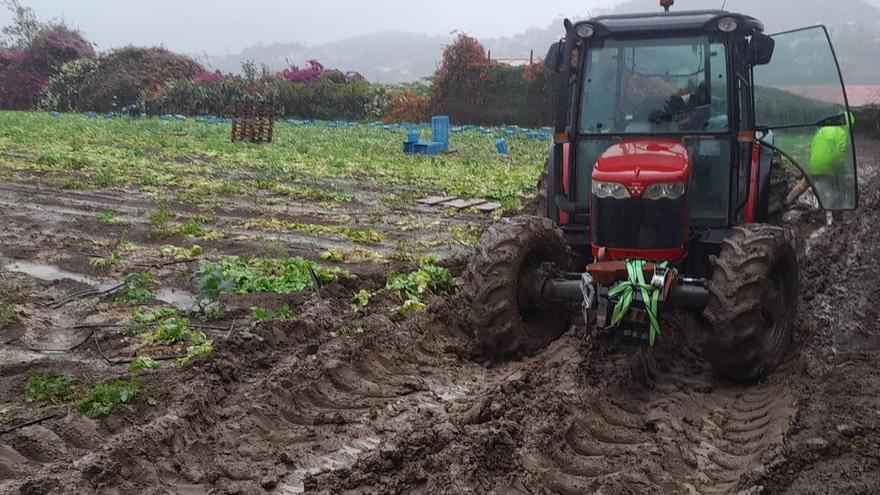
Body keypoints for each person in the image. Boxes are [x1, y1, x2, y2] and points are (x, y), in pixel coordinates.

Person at [785, 112, 854, 208]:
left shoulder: (822, 130)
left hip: (813, 165)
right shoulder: (842, 133)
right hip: (827, 168)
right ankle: (834, 211)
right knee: (840, 187)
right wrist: (843, 171)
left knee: (802, 186)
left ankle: (787, 202)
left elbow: (813, 147)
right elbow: (839, 156)